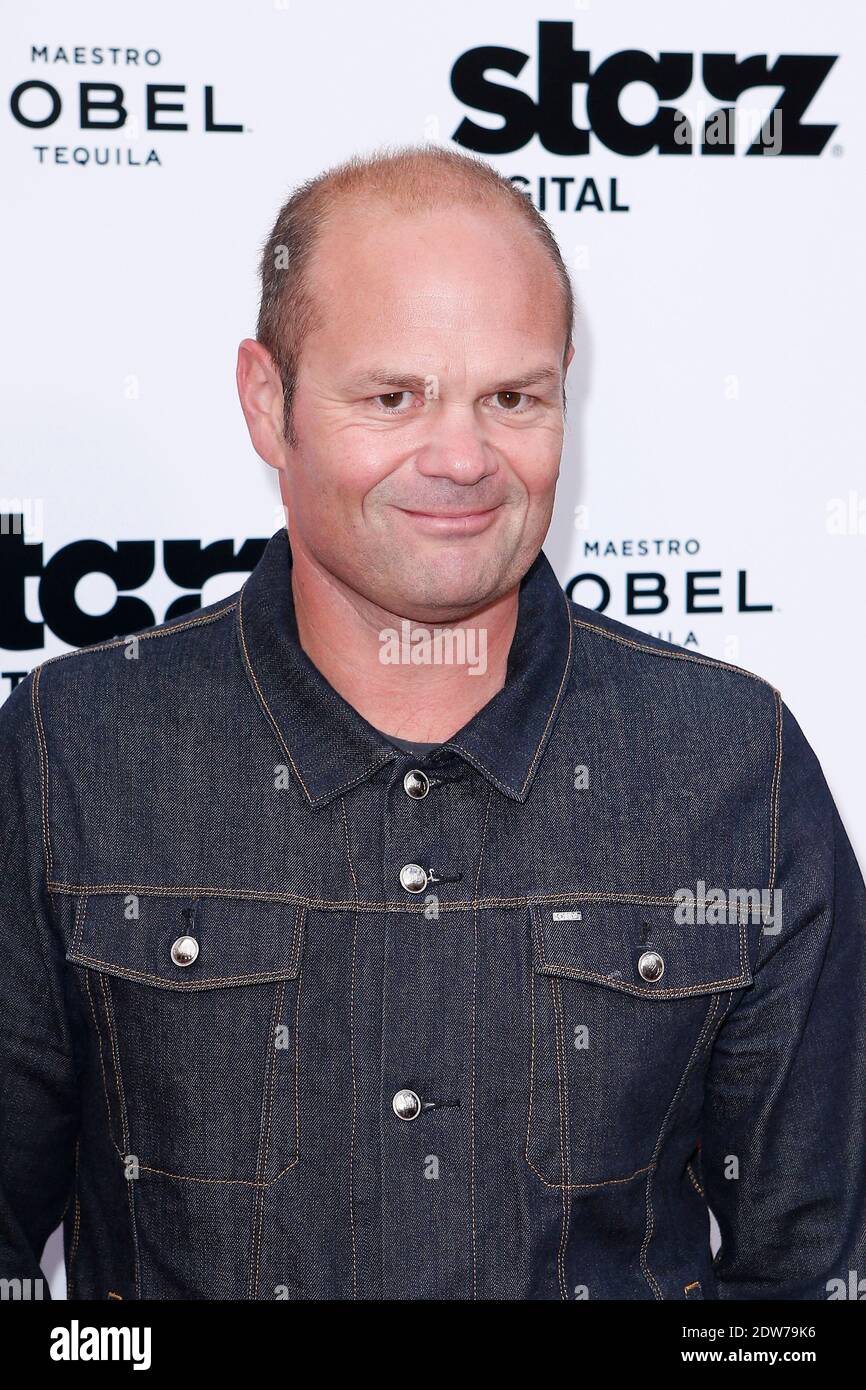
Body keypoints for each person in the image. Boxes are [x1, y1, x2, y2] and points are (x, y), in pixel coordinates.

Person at [1, 144, 864, 1302]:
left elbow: (813, 1275)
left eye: (511, 398)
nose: (460, 458)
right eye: (391, 396)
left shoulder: (729, 762)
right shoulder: (75, 746)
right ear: (269, 403)